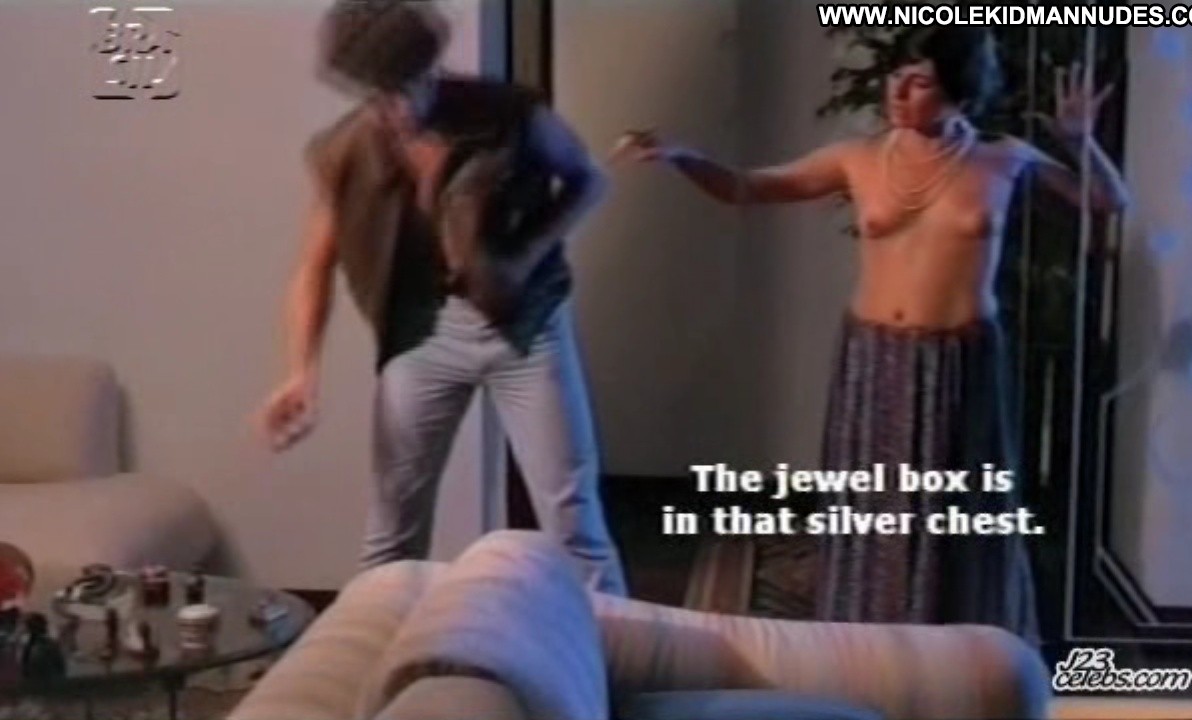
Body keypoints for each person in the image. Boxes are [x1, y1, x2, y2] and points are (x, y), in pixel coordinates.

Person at [614, 27, 1129, 645]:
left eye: (921, 82)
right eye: (897, 77)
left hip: (960, 360)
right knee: (879, 510)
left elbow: (1106, 201)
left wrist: (1080, 142)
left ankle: (954, 648)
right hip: (876, 359)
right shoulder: (858, 157)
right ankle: (872, 641)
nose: (899, 92)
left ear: (959, 92)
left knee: (951, 512)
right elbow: (747, 188)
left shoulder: (1005, 158)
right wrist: (682, 156)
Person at [258, 0, 627, 595]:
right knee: (391, 533)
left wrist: (527, 254)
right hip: (420, 339)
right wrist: (301, 371)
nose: (400, 108)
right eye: (382, 95)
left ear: (432, 66)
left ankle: (614, 647)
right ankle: (376, 649)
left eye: (411, 86)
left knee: (573, 522)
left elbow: (590, 180)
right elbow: (313, 268)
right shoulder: (343, 152)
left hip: (526, 329)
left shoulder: (508, 114)